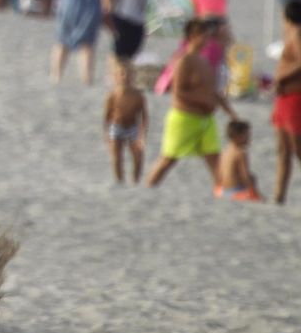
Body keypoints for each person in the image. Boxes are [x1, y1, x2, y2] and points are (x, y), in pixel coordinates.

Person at [147, 19, 242, 187]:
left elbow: (214, 91)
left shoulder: (204, 61)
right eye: (203, 36)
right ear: (192, 36)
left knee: (215, 159)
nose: (206, 40)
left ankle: (222, 192)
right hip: (184, 117)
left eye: (207, 36)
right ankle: (148, 187)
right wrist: (204, 100)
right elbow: (178, 92)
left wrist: (232, 113)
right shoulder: (184, 60)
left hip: (206, 120)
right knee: (169, 159)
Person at [272, 1, 301, 204]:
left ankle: (279, 196)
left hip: (294, 97)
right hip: (284, 98)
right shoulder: (291, 35)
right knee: (282, 150)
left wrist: (281, 77)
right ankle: (278, 196)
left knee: (297, 149)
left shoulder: (298, 33)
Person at [102, 59, 148, 184]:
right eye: (121, 74)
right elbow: (106, 117)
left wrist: (142, 135)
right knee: (117, 156)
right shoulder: (112, 95)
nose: (125, 77)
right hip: (116, 127)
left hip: (132, 127)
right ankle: (119, 181)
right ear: (115, 77)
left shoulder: (138, 96)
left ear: (134, 76)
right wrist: (106, 134)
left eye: (129, 74)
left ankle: (135, 180)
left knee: (138, 155)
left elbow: (144, 116)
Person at [214, 120, 262, 202]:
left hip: (220, 191)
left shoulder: (226, 150)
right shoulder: (240, 153)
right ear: (237, 136)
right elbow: (245, 176)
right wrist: (255, 193)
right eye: (247, 135)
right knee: (252, 178)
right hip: (235, 193)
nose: (249, 138)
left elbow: (219, 173)